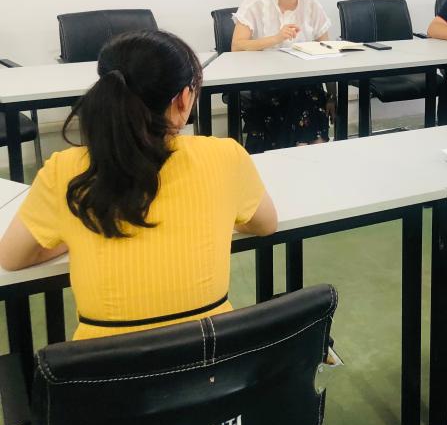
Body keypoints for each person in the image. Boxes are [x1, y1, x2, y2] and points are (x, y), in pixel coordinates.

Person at [0, 31, 277, 340]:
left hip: (105, 366)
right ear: (184, 99)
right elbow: (265, 224)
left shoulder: (64, 170)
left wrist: (70, 234)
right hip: (212, 358)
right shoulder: (225, 156)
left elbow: (12, 257)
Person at [232, 0, 333, 152]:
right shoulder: (256, 2)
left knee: (304, 93)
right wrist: (276, 38)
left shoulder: (311, 5)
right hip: (266, 85)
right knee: (295, 97)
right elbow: (237, 47)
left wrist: (332, 95)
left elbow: (327, 49)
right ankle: (303, 147)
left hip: (305, 85)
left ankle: (308, 149)